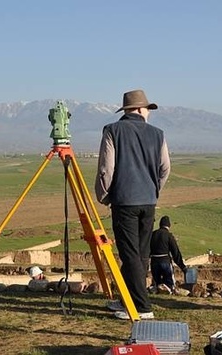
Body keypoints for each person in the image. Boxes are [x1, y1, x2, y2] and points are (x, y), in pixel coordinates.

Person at [95, 89, 171, 320]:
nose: (149, 113)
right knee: (141, 252)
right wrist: (153, 190)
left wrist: (105, 196)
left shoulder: (113, 131)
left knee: (129, 253)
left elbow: (106, 169)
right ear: (139, 109)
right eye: (148, 109)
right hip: (148, 201)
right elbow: (165, 168)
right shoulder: (158, 134)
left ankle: (141, 307)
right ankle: (126, 299)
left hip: (124, 201)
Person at [150, 216, 188, 294]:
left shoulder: (153, 234)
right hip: (165, 262)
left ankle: (158, 291)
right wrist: (182, 267)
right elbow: (175, 252)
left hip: (154, 261)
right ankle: (169, 291)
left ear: (160, 224)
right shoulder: (168, 235)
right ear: (169, 225)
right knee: (169, 283)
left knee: (157, 283)